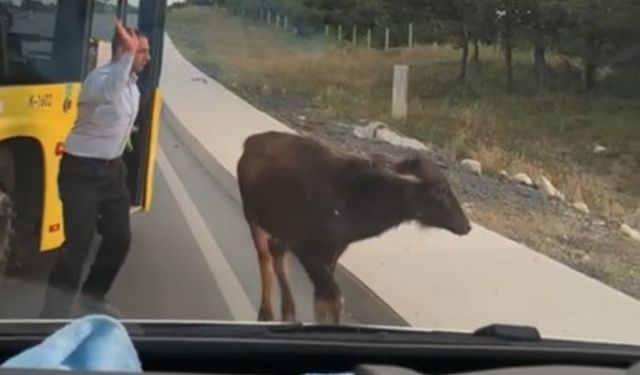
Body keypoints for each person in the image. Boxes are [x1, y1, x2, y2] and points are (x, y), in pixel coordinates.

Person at [39, 18, 151, 318]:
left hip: (113, 171)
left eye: (142, 52)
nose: (147, 57)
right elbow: (107, 94)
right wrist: (126, 57)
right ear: (121, 52)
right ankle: (53, 316)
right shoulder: (98, 80)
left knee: (119, 240)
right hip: (81, 173)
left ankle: (92, 298)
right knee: (77, 245)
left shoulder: (133, 88)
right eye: (141, 52)